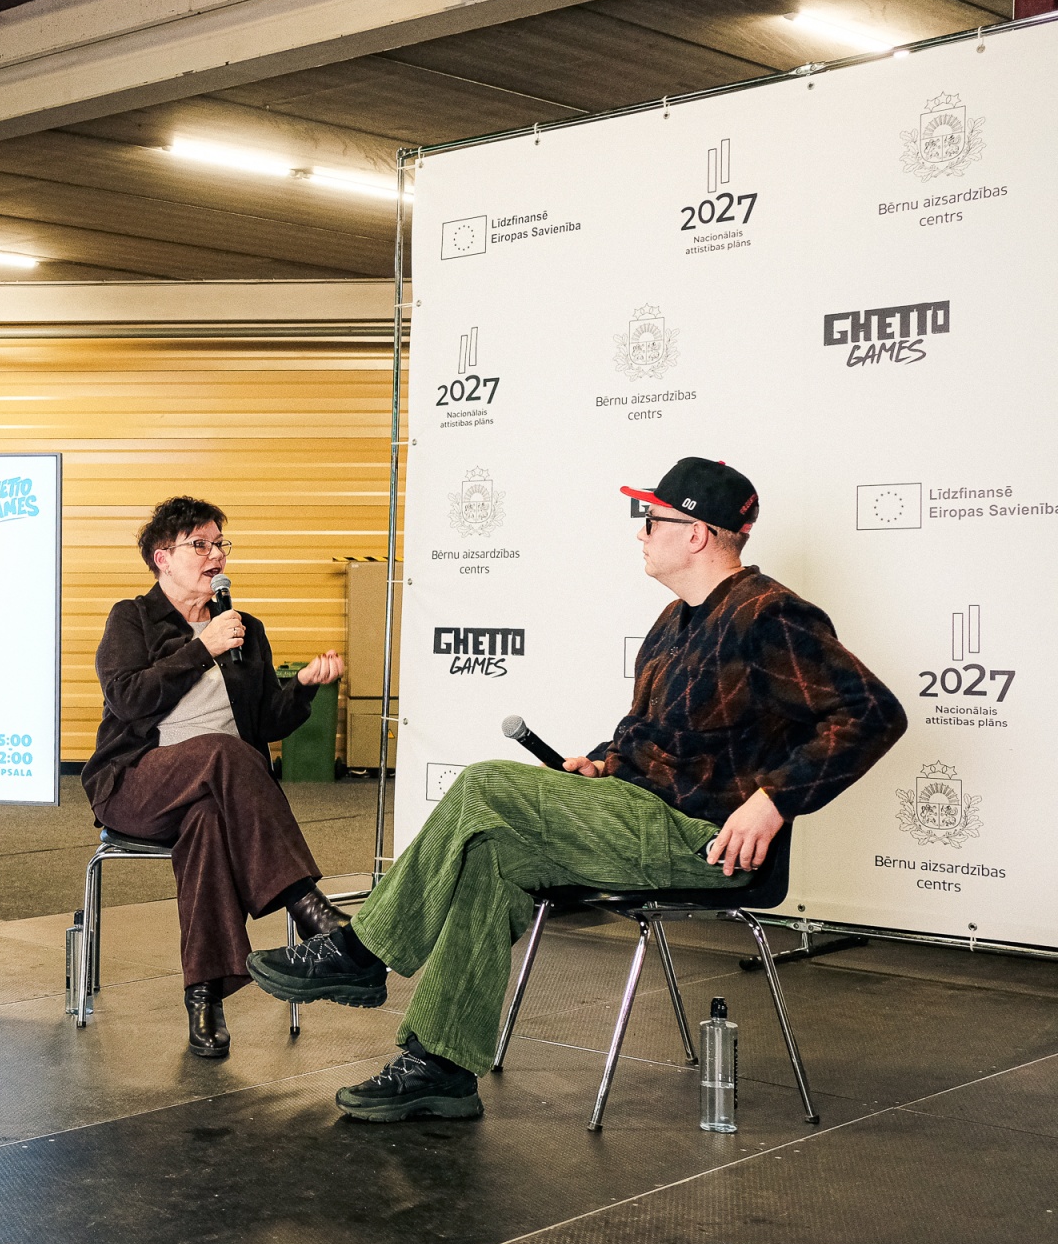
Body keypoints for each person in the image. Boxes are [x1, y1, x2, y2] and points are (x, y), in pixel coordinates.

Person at [248, 458, 905, 1122]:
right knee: (490, 856)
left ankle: (360, 953)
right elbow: (653, 739)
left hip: (702, 840)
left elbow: (873, 713)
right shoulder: (673, 622)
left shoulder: (769, 615)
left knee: (482, 785)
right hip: (638, 815)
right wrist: (599, 765)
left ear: (697, 534)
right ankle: (440, 1066)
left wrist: (774, 800)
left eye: (652, 519)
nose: (641, 532)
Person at [82, 496, 348, 1060]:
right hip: (135, 783)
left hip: (215, 793)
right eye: (199, 545)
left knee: (205, 823)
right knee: (224, 752)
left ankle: (203, 998)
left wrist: (303, 687)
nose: (215, 555)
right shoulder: (132, 618)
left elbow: (264, 724)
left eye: (220, 544)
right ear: (162, 558)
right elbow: (127, 699)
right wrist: (199, 649)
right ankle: (306, 905)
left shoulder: (245, 628)